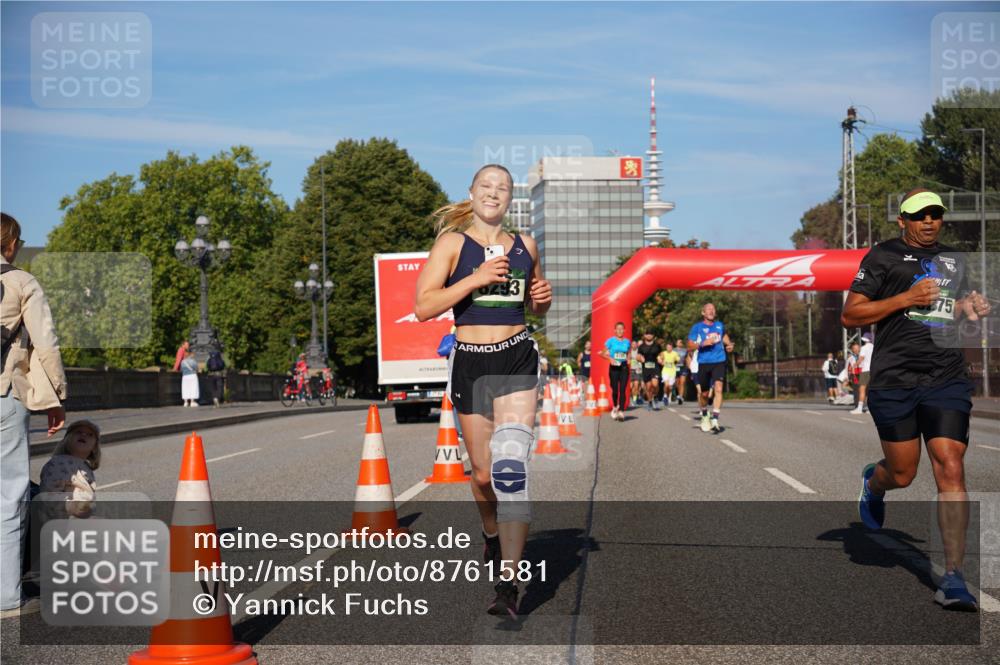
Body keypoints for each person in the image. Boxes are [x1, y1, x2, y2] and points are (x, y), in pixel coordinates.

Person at [414, 163, 551, 617]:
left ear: (511, 198)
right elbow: (423, 306)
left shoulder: (526, 245)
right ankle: (491, 534)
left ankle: (508, 583)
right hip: (471, 362)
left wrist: (542, 301)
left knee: (511, 468)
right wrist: (475, 278)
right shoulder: (452, 244)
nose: (494, 193)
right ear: (472, 193)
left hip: (516, 357)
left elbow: (533, 303)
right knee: (482, 475)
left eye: (503, 188)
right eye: (486, 186)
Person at [844, 188, 990, 611]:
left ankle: (954, 576)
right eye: (919, 215)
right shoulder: (882, 256)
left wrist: (970, 307)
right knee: (903, 472)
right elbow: (851, 314)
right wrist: (906, 298)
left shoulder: (953, 260)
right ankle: (874, 483)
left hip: (945, 375)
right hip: (895, 378)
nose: (929, 221)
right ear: (902, 220)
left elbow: (949, 310)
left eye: (935, 214)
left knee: (950, 464)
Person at [0, 212, 66, 612]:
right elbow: (46, 343)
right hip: (6, 394)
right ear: (10, 244)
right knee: (9, 497)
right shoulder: (22, 282)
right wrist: (55, 397)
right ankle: (7, 595)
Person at [687, 302, 734, 433]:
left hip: (719, 361)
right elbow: (689, 345)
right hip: (704, 362)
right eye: (708, 309)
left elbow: (723, 335)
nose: (711, 311)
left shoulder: (719, 325)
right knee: (704, 394)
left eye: (713, 309)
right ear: (703, 313)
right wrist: (703, 344)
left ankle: (715, 419)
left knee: (718, 388)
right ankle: (704, 414)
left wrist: (729, 344)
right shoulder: (697, 327)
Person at [39, 420, 100, 519]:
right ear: (67, 440)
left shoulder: (87, 468)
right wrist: (70, 506)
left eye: (90, 434)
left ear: (94, 447)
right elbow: (48, 492)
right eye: (78, 432)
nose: (83, 435)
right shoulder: (58, 463)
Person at [598, 322, 630, 422]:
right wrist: (610, 359)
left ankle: (621, 411)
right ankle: (615, 406)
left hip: (624, 367)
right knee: (615, 390)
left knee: (623, 389)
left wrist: (628, 359)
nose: (620, 330)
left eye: (621, 329)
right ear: (615, 330)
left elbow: (628, 353)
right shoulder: (610, 341)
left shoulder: (627, 342)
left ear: (624, 330)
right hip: (614, 368)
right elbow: (601, 353)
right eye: (618, 329)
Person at [636, 330, 662, 411]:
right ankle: (650, 401)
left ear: (653, 335)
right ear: (645, 335)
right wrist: (640, 359)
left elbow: (661, 354)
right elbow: (638, 356)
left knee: (655, 384)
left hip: (655, 367)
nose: (649, 335)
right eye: (647, 334)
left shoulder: (657, 345)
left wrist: (661, 359)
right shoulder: (641, 346)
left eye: (651, 334)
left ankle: (656, 396)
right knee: (648, 387)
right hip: (646, 368)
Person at [851, 332, 875, 414]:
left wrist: (855, 364)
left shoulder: (864, 348)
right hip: (873, 370)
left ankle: (859, 408)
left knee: (862, 389)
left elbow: (861, 358)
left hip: (865, 370)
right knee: (870, 390)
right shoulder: (874, 347)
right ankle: (870, 408)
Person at [674, 338, 688, 405]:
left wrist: (689, 366)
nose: (680, 343)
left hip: (683, 367)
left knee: (682, 382)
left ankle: (680, 397)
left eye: (681, 342)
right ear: (676, 343)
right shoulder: (673, 350)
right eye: (679, 342)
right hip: (675, 367)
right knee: (677, 383)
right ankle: (678, 394)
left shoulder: (685, 350)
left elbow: (687, 359)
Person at [628, 340, 642, 405]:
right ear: (631, 345)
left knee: (636, 385)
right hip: (630, 370)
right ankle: (630, 397)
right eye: (632, 344)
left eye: (635, 344)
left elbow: (642, 360)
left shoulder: (639, 352)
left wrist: (640, 361)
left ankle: (634, 399)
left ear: (637, 345)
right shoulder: (629, 352)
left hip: (637, 370)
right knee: (630, 386)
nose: (634, 345)